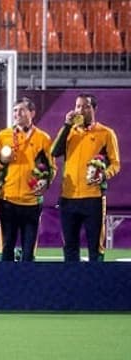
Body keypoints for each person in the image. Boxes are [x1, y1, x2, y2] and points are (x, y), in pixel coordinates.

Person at [51, 93, 120, 262]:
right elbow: (54, 152)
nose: (80, 110)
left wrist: (104, 174)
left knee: (95, 247)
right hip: (68, 198)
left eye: (85, 106)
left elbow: (115, 164)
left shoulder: (106, 133)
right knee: (70, 247)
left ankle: (97, 284)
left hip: (93, 198)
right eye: (78, 106)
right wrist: (67, 125)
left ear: (94, 109)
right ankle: (71, 285)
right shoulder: (69, 132)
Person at [0, 97, 56, 261]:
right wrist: (1, 161)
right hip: (8, 200)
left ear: (32, 113)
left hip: (31, 202)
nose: (17, 113)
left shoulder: (43, 138)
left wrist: (46, 181)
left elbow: (51, 167)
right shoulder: (3, 136)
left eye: (21, 110)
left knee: (28, 253)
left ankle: (28, 285)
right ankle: (6, 285)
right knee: (6, 249)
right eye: (15, 110)